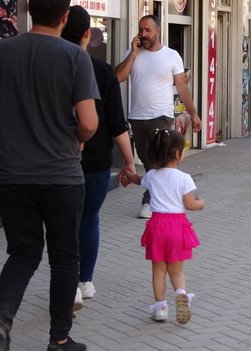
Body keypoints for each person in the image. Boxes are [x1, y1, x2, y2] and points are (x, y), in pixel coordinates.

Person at [0, 0, 99, 351]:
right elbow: (89, 123)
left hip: (11, 176)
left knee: (22, 254)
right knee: (64, 258)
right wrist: (74, 137)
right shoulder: (75, 58)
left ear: (28, 12)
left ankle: (1, 322)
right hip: (61, 175)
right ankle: (59, 341)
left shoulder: (3, 52)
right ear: (64, 17)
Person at [61, 5, 137, 306]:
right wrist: (130, 161)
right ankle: (85, 280)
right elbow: (117, 124)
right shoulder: (102, 71)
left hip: (55, 159)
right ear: (86, 34)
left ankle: (70, 285)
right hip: (94, 163)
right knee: (89, 219)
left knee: (64, 224)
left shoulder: (51, 64)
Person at [115, 14, 202, 220]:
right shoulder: (132, 53)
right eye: (141, 30)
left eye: (148, 30)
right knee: (147, 161)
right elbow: (117, 77)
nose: (143, 34)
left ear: (157, 32)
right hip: (137, 116)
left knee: (160, 159)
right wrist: (133, 53)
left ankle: (150, 201)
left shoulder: (171, 56)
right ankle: (160, 197)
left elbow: (182, 87)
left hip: (161, 116)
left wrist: (194, 114)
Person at [122, 129, 204, 323]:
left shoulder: (152, 176)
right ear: (177, 154)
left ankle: (160, 308)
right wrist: (201, 202)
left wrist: (128, 174)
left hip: (158, 226)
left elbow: (138, 180)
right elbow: (190, 204)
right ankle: (181, 294)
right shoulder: (184, 179)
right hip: (177, 227)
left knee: (158, 270)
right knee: (176, 270)